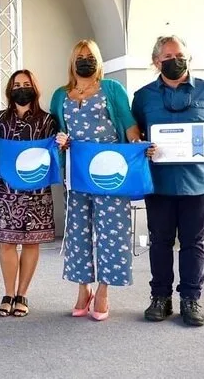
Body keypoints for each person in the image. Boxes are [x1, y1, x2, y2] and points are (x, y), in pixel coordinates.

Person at [50, 39, 144, 321]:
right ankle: (83, 289)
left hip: (110, 173)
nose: (85, 60)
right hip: (76, 173)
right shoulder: (60, 95)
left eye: (90, 56)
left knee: (112, 231)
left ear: (98, 60)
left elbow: (129, 125)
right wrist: (60, 142)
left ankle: (103, 290)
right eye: (80, 56)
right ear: (72, 62)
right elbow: (54, 132)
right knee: (77, 231)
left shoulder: (111, 89)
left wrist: (137, 148)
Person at [132, 35, 204, 327]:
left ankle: (191, 298)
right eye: (168, 57)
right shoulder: (143, 96)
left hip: (197, 182)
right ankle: (160, 297)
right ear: (156, 61)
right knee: (160, 242)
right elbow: (135, 134)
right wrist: (142, 145)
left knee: (194, 243)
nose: (176, 61)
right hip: (158, 181)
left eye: (180, 56)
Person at [0, 69, 57, 317]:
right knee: (6, 243)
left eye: (26, 84)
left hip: (37, 193)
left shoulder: (48, 121)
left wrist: (61, 143)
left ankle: (22, 294)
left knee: (31, 243)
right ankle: (8, 294)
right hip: (7, 192)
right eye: (16, 85)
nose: (21, 88)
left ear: (34, 88)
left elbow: (56, 154)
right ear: (10, 90)